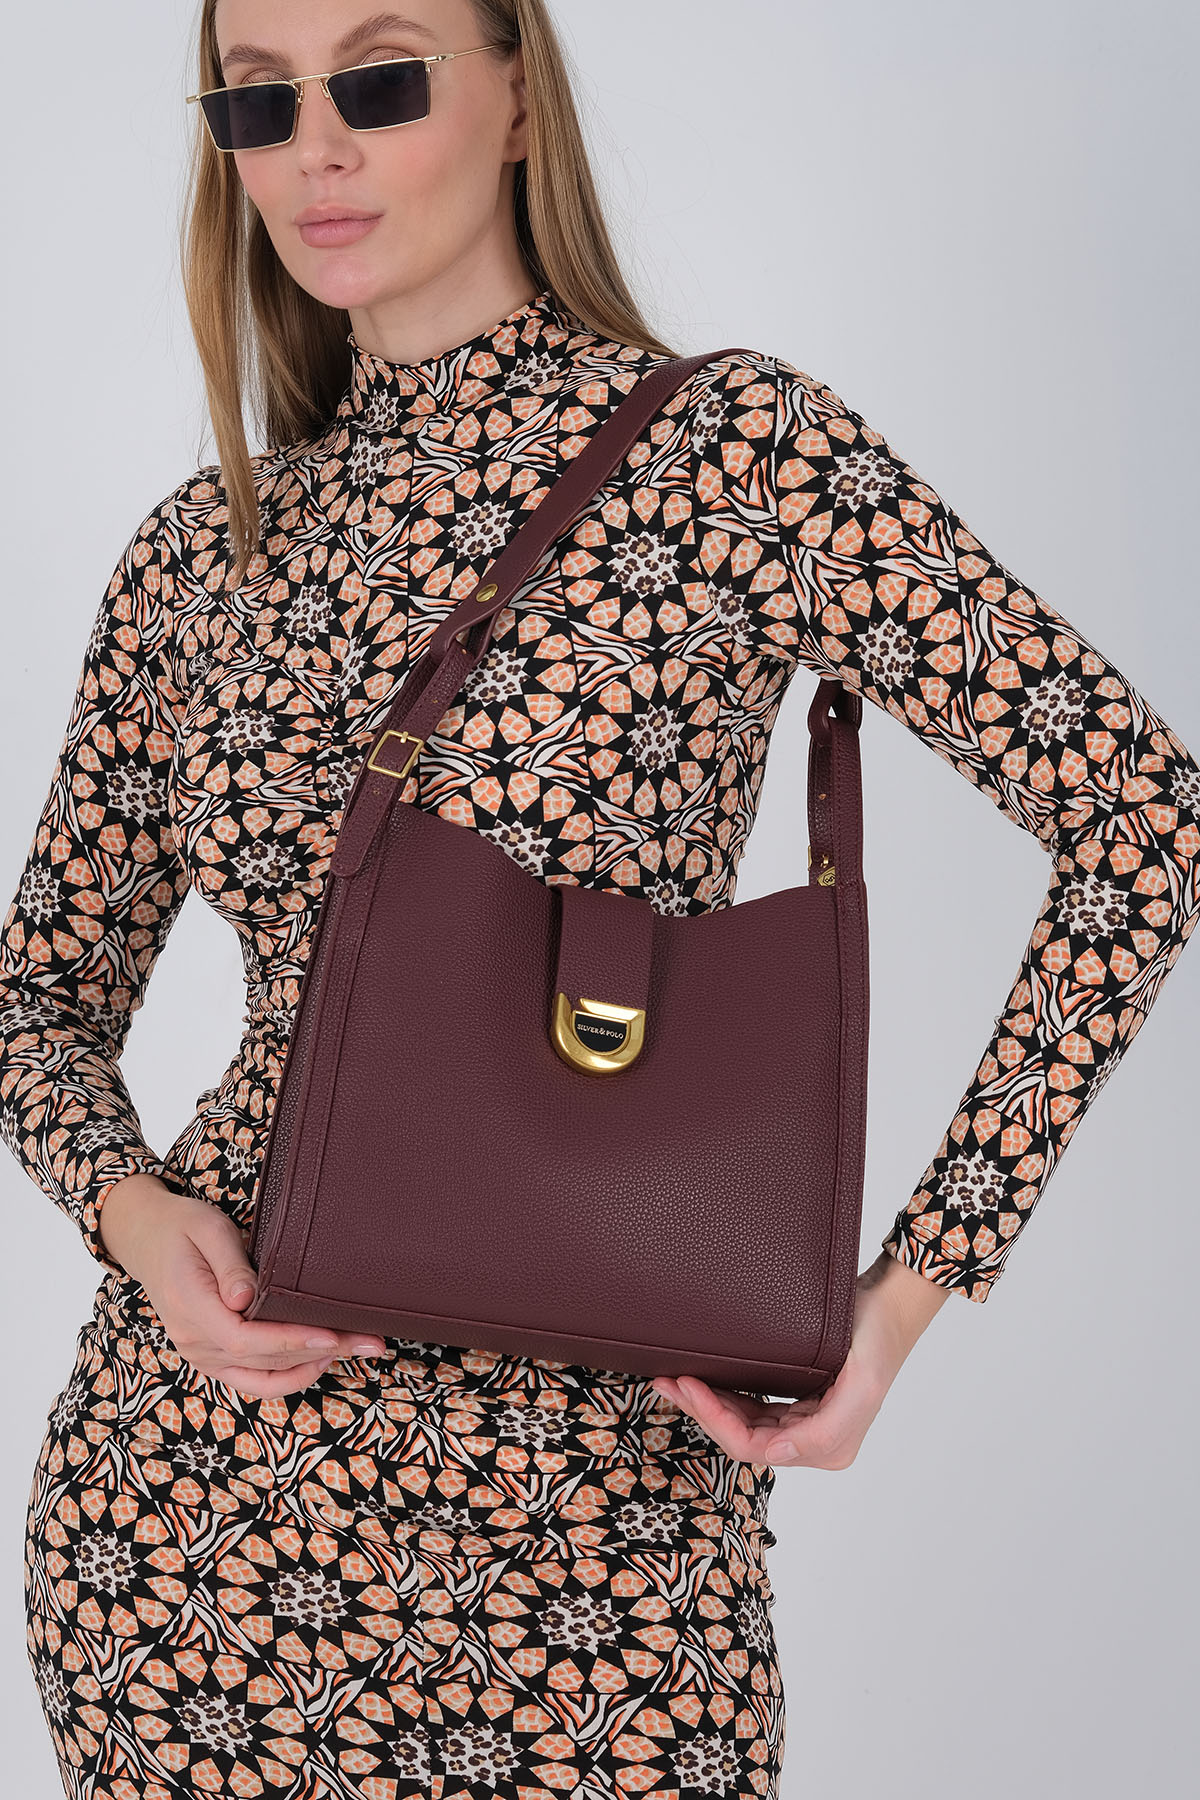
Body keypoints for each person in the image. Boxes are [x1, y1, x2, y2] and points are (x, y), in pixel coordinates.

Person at [7, 0, 1197, 1794]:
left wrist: (905, 1295)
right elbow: (37, 999)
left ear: (515, 102)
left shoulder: (733, 456)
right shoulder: (204, 555)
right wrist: (131, 1218)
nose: (315, 145)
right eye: (256, 101)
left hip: (604, 1556)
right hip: (184, 1545)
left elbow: (1142, 816)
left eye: (379, 76)